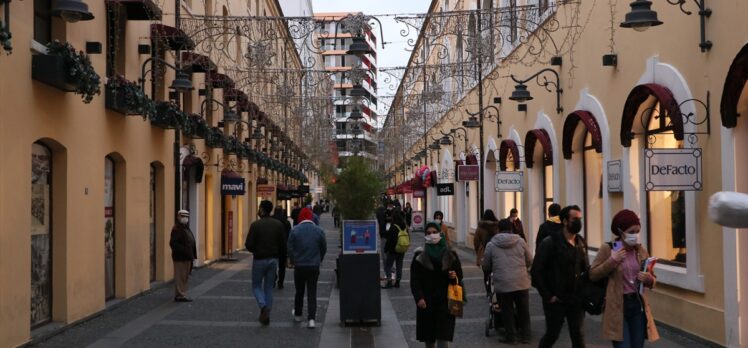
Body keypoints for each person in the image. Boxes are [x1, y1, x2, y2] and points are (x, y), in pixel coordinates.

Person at [590, 210, 659, 347]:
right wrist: (612, 261)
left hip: (637, 305)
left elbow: (653, 280)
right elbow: (593, 274)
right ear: (621, 232)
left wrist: (649, 279)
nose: (635, 235)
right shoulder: (610, 249)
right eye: (631, 231)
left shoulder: (640, 251)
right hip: (617, 306)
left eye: (637, 231)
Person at [532, 205, 588, 348]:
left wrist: (585, 292)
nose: (578, 222)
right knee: (552, 334)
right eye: (575, 219)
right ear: (564, 221)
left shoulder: (580, 242)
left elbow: (585, 269)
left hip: (575, 299)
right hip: (556, 300)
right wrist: (548, 296)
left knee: (578, 337)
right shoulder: (550, 243)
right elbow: (536, 271)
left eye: (580, 219)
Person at [411, 222, 464, 348]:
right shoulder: (419, 255)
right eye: (428, 233)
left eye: (434, 232)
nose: (431, 235)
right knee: (429, 338)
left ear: (440, 233)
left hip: (445, 300)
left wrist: (453, 277)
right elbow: (415, 279)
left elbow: (459, 275)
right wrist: (419, 297)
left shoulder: (451, 254)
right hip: (426, 301)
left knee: (443, 336)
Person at [482, 218, 533, 344]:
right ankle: (526, 335)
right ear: (511, 229)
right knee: (523, 310)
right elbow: (530, 260)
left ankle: (511, 336)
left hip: (503, 282)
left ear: (498, 229)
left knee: (507, 310)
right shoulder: (520, 241)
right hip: (521, 281)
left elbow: (486, 266)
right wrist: (522, 268)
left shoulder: (491, 245)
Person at [245, 200, 286, 326]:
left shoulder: (255, 225)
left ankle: (263, 306)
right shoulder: (278, 225)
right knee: (269, 287)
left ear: (262, 209)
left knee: (256, 285)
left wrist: (256, 250)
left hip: (259, 259)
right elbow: (283, 245)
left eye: (259, 208)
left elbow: (249, 244)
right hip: (273, 260)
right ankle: (267, 311)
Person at [287, 207, 327, 329]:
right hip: (313, 266)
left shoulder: (295, 230)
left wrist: (293, 260)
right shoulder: (319, 230)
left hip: (300, 266)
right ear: (311, 217)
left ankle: (298, 315)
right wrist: (319, 259)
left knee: (299, 291)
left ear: (300, 217)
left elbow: (289, 248)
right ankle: (311, 319)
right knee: (312, 292)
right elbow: (323, 247)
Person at [169, 210, 197, 302]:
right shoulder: (177, 229)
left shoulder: (185, 228)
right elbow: (173, 243)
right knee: (180, 276)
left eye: (187, 216)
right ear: (178, 217)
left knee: (185, 276)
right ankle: (180, 295)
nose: (185, 218)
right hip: (180, 257)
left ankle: (182, 293)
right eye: (183, 216)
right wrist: (184, 251)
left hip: (187, 257)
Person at [474, 209, 499, 296]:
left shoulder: (480, 227)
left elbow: (476, 241)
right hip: (496, 251)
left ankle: (488, 291)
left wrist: (478, 251)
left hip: (484, 251)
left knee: (486, 272)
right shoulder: (497, 226)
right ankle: (496, 289)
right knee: (496, 271)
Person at [383, 210, 409, 288]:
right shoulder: (405, 226)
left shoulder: (393, 227)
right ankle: (397, 282)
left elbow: (390, 240)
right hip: (402, 249)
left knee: (388, 266)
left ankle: (389, 281)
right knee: (399, 265)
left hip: (393, 250)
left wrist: (386, 249)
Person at [272, 207, 292, 289]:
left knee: (273, 264)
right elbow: (289, 235)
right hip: (283, 246)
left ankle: (273, 279)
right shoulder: (286, 222)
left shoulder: (271, 221)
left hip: (273, 246)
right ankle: (280, 282)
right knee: (282, 266)